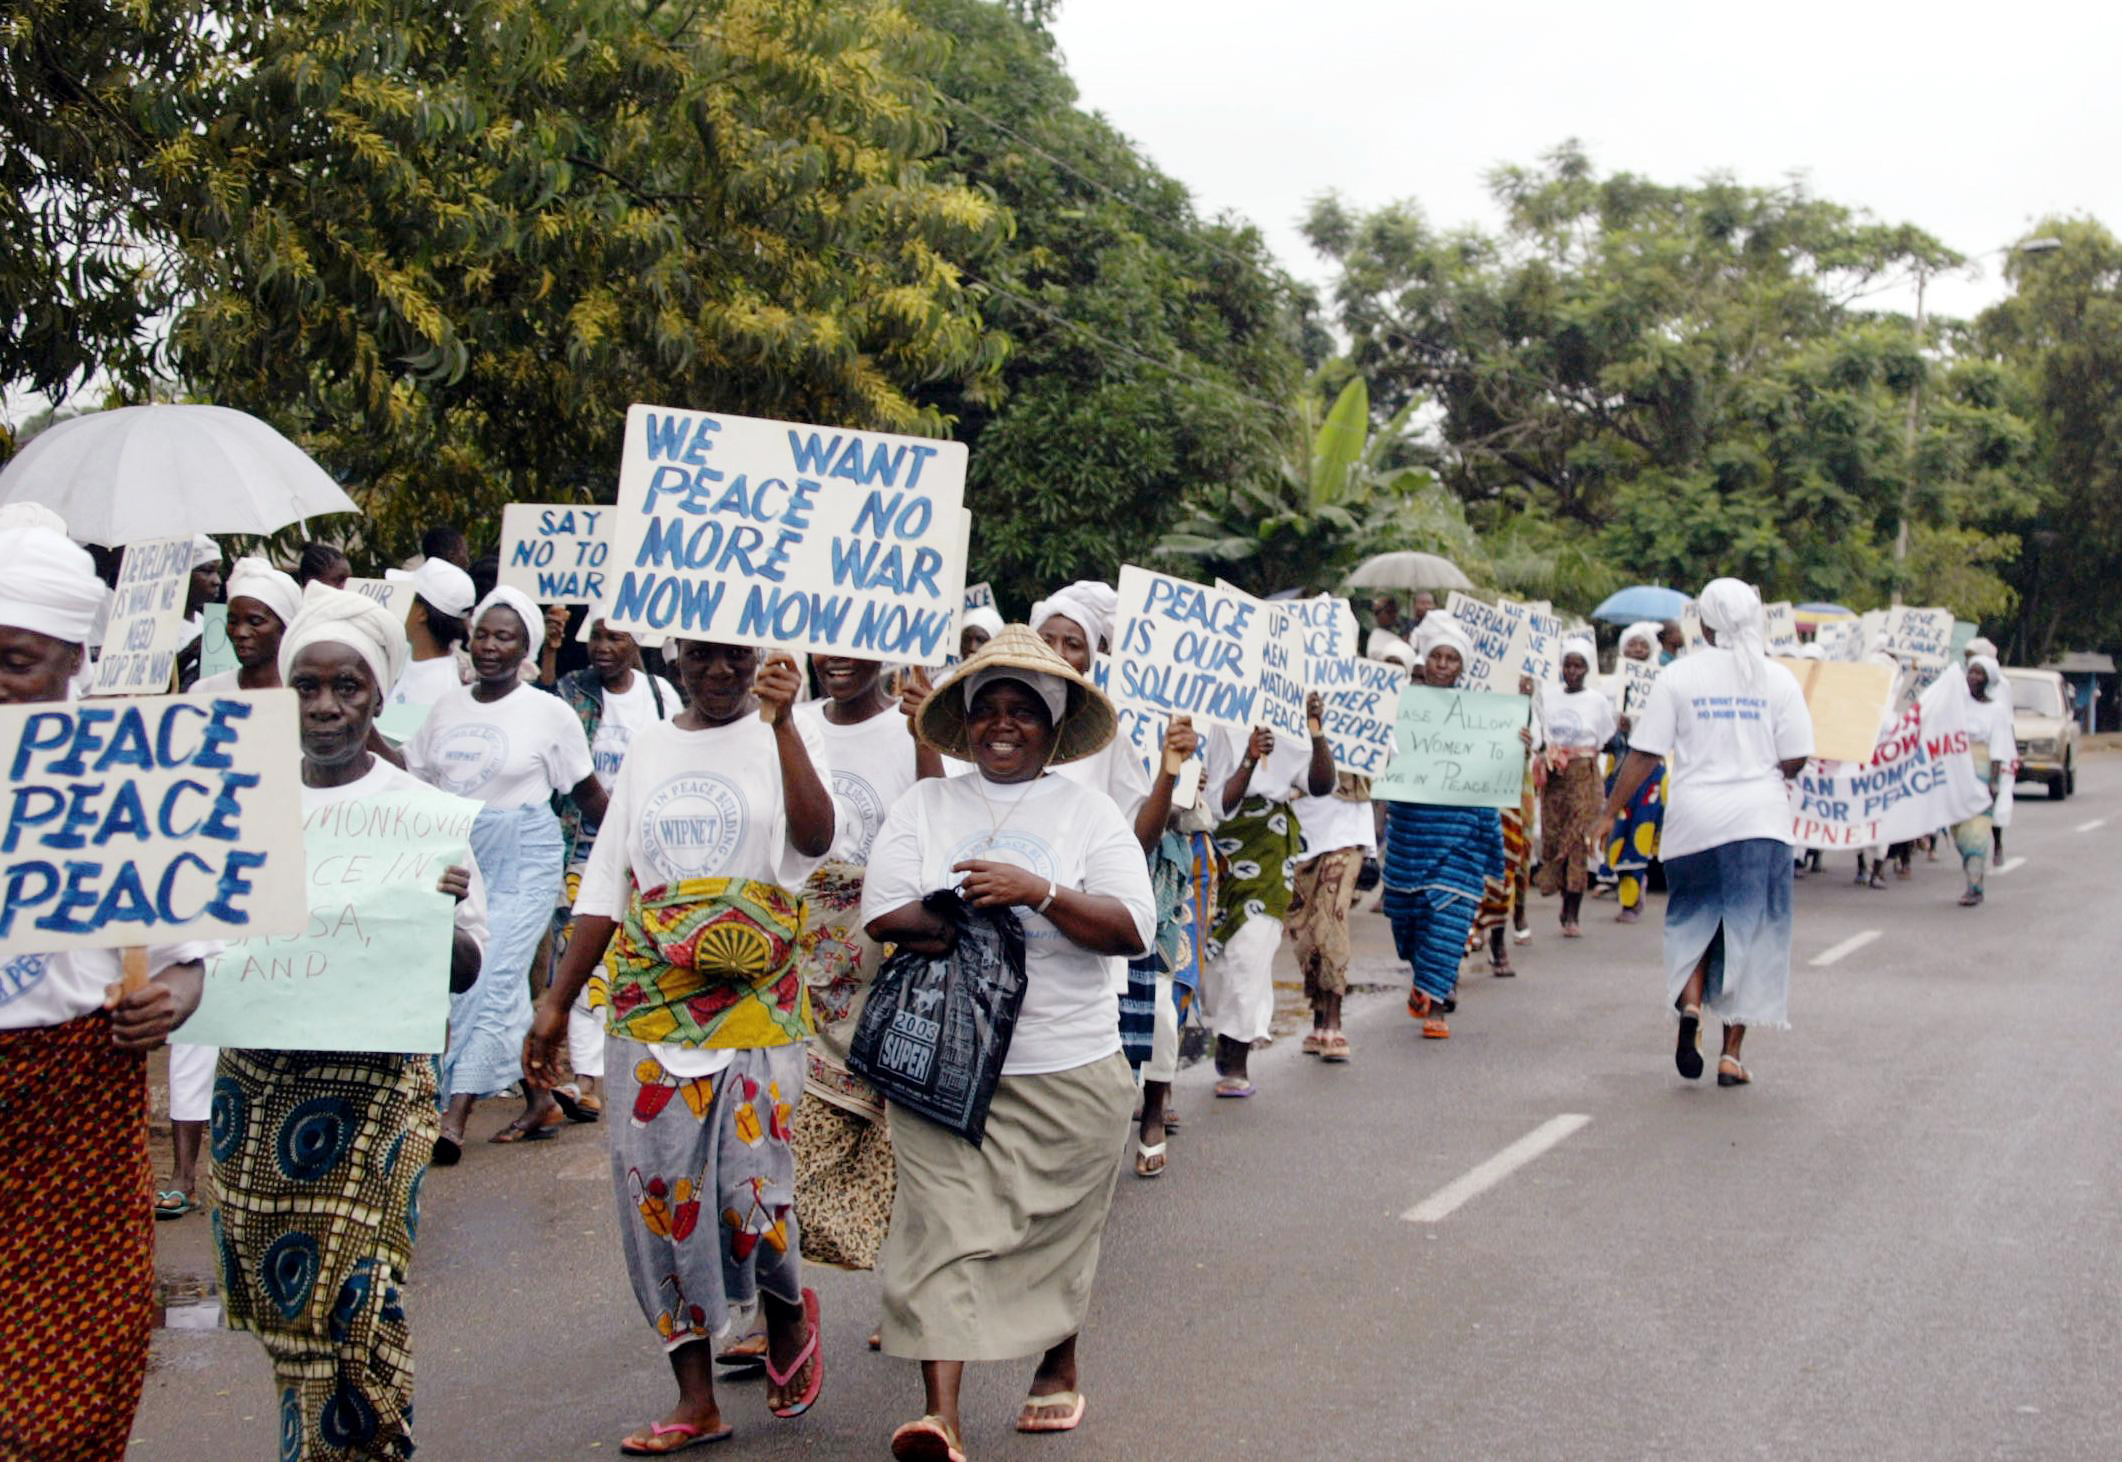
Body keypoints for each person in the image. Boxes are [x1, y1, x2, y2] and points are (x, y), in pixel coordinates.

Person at [526, 638, 832, 1451]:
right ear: (677, 657)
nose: (720, 672)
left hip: (756, 995)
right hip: (651, 998)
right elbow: (606, 880)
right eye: (701, 658)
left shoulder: (781, 731)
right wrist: (555, 1002)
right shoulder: (654, 744)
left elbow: (816, 839)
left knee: (751, 1195)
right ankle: (695, 1398)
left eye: (735, 657)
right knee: (659, 1198)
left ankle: (785, 1307)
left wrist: (787, 723)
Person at [860, 626, 1154, 1458]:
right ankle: (939, 1417)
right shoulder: (927, 804)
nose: (1002, 725)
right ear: (961, 719)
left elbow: (1133, 926)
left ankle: (1058, 1361)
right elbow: (883, 911)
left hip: (1069, 1064)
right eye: (985, 708)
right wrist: (972, 913)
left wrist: (1041, 891)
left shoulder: (1090, 813)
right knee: (940, 1227)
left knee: (1056, 1228)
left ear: (1052, 728)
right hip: (946, 1069)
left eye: (1023, 711)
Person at [213, 581, 488, 1461]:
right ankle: (309, 1446)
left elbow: (464, 968)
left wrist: (435, 915)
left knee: (357, 1290)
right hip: (258, 1090)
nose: (327, 708)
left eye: (349, 689)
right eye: (309, 688)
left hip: (373, 1090)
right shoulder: (242, 802)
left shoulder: (418, 814)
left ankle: (366, 1447)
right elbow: (202, 944)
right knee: (284, 1299)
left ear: (377, 696)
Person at [0, 524, 209, 1457]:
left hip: (74, 1114)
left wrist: (168, 997)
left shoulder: (130, 772)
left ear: (74, 660)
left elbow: (189, 954)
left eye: (13, 661)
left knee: (73, 1386)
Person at [405, 586, 604, 1156]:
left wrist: (632, 857)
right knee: (496, 986)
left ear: (527, 647)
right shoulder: (445, 707)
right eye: (484, 634)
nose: (490, 646)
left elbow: (589, 795)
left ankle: (453, 1112)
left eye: (505, 637)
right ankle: (538, 1096)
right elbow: (415, 780)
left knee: (487, 977)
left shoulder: (550, 713)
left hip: (526, 856)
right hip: (462, 856)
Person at [1596, 579, 1814, 1088]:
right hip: (1760, 824)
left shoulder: (1681, 677)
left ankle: (1691, 1006)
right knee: (1752, 936)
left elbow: (1645, 753)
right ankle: (1730, 1056)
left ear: (1704, 622)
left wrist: (1609, 813)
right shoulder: (1778, 680)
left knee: (1695, 922)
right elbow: (1796, 758)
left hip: (1695, 823)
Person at [783, 654, 938, 1306]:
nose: (837, 659)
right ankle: (779, 1299)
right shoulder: (792, 723)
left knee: (895, 1133)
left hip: (888, 954)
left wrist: (926, 738)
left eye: (854, 643)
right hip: (798, 954)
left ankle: (906, 1289)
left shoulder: (914, 728)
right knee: (779, 1132)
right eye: (826, 645)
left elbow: (939, 830)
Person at [1031, 581, 1197, 1173]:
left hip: (1084, 915)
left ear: (1091, 658)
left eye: (1071, 642)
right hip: (1008, 920)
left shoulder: (1105, 734)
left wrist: (1169, 773)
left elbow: (1136, 840)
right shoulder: (993, 714)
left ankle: (1141, 1114)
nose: (1056, 651)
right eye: (1045, 637)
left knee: (1135, 1015)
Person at [160, 556, 302, 1222]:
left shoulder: (307, 696)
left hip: (279, 876)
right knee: (195, 1017)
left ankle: (266, 1157)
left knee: (270, 1010)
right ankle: (185, 1170)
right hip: (211, 872)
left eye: (257, 620)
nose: (242, 631)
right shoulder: (205, 695)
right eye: (235, 619)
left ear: (284, 626)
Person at [549, 618, 679, 1122]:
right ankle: (587, 1078)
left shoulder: (661, 694)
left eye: (615, 638)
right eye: (596, 637)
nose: (602, 648)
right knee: (581, 949)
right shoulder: (569, 693)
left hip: (648, 847)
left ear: (637, 643)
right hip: (584, 842)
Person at [1380, 614, 1508, 1040]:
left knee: (1449, 919)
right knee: (1407, 916)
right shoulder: (1398, 705)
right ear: (1425, 660)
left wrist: (1516, 743)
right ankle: (1426, 976)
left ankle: (1435, 1004)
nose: (1443, 664)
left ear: (1461, 667)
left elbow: (1494, 767)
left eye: (1452, 659)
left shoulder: (1482, 716)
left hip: (1461, 835)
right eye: (1437, 656)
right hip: (1410, 834)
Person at [1197, 702, 1333, 1098]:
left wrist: (1315, 728)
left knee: (1252, 949)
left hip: (1270, 845)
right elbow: (1220, 802)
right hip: (1219, 840)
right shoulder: (1216, 718)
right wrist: (1249, 759)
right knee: (1216, 957)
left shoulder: (1289, 717)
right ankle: (1227, 1033)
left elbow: (1321, 784)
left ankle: (1237, 1054)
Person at [1534, 637, 1617, 936]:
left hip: (1583, 775)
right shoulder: (1548, 696)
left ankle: (1573, 911)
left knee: (1579, 840)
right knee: (1555, 837)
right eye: (1567, 664)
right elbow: (1539, 733)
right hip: (1556, 776)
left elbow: (1606, 738)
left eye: (1578, 665)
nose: (1572, 671)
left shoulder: (1596, 701)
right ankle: (1559, 891)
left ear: (1586, 669)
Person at [1599, 622, 1667, 926]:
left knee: (1640, 830)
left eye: (1643, 645)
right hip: (1618, 768)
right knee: (1617, 828)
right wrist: (1618, 727)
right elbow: (1598, 732)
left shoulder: (1664, 684)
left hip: (1649, 771)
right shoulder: (1608, 686)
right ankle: (1622, 880)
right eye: (1632, 645)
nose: (1637, 650)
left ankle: (1631, 895)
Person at [381, 556, 477, 730]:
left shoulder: (439, 688)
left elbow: (396, 745)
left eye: (408, 596)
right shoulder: (404, 654)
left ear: (421, 613)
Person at [1951, 655, 2012, 908]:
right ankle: (1972, 872)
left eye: (1979, 673)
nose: (1973, 677)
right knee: (1959, 831)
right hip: (1957, 772)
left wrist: (1994, 780)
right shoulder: (1958, 703)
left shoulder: (1996, 710)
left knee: (1976, 832)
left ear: (1988, 679)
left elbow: (1998, 746)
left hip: (1982, 770)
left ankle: (1974, 887)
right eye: (1971, 672)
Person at [176, 532, 225, 689]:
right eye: (207, 571)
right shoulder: (160, 628)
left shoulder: (206, 623)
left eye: (218, 572)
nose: (217, 581)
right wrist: (188, 654)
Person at [1366, 595, 1412, 664]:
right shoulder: (1376, 635)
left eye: (1395, 611)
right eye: (1389, 612)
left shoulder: (1398, 637)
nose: (1393, 615)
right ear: (1378, 615)